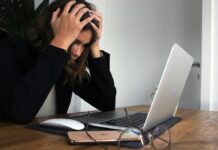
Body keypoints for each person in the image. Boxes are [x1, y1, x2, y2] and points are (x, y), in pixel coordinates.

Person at [0, 0, 116, 123]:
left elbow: (106, 103)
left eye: (84, 45)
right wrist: (60, 41)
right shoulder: (9, 49)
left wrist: (94, 45)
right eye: (74, 40)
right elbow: (18, 114)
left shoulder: (66, 64)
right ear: (51, 29)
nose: (77, 53)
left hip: (51, 141)